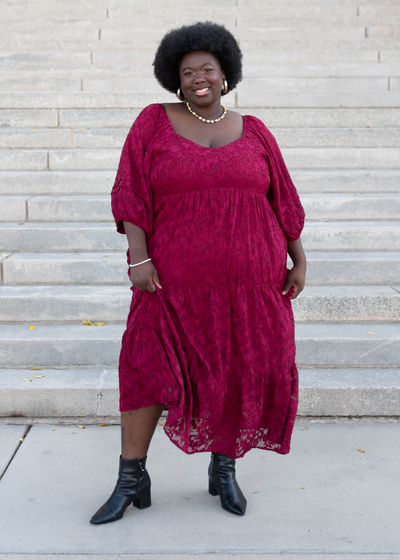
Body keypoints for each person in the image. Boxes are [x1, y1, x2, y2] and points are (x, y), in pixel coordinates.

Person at [90, 21, 306, 525]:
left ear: (226, 73)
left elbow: (283, 200)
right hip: (171, 282)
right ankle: (131, 477)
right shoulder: (153, 121)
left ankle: (224, 469)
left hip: (253, 284)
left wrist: (299, 258)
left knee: (235, 369)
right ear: (175, 79)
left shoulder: (255, 131)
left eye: (207, 68)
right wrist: (138, 257)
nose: (198, 77)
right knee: (145, 367)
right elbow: (131, 192)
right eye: (187, 72)